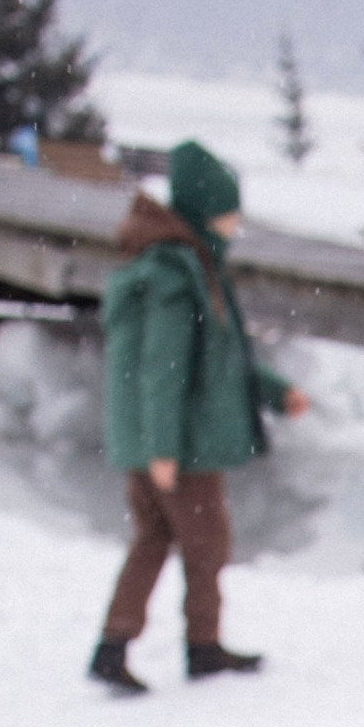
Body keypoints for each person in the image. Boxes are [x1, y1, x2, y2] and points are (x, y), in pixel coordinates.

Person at [89, 138, 306, 694]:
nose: (235, 224)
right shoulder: (175, 274)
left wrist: (275, 394)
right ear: (206, 212)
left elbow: (221, 361)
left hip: (163, 440)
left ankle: (114, 646)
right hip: (180, 445)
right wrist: (162, 447)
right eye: (229, 212)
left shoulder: (184, 264)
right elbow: (163, 370)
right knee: (207, 543)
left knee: (153, 539)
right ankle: (201, 647)